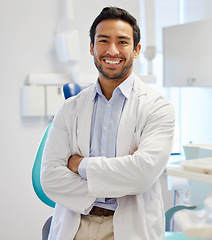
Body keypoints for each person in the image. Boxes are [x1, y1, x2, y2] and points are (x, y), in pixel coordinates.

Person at [41, 6, 175, 240]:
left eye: (122, 42)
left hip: (127, 228)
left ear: (136, 50)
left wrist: (80, 166)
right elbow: (50, 178)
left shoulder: (157, 108)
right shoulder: (69, 108)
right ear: (92, 47)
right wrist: (121, 181)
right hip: (75, 225)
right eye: (103, 40)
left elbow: (141, 175)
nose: (112, 50)